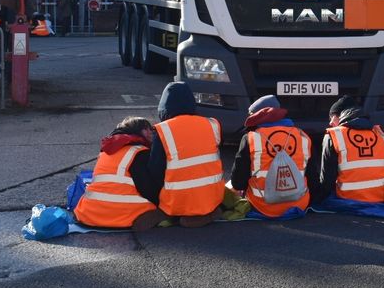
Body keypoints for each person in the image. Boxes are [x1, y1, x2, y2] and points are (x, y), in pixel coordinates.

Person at [314, 96, 384, 211]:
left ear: (341, 116)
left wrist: (316, 200)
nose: (330, 122)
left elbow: (327, 180)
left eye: (332, 117)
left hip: (348, 199)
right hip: (380, 198)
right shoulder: (379, 134)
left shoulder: (334, 136)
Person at [147, 82, 225, 227]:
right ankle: (206, 212)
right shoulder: (212, 124)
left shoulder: (163, 130)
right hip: (213, 197)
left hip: (176, 202)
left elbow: (155, 170)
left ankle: (179, 214)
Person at [73, 116, 167, 231]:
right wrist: (162, 201)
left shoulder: (106, 151)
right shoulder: (138, 152)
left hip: (89, 213)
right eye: (146, 129)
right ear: (136, 131)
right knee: (165, 209)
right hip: (121, 215)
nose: (150, 133)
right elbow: (147, 187)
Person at [230, 94, 313, 218]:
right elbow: (313, 178)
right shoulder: (302, 136)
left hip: (262, 206)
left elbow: (238, 183)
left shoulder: (251, 138)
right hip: (300, 203)